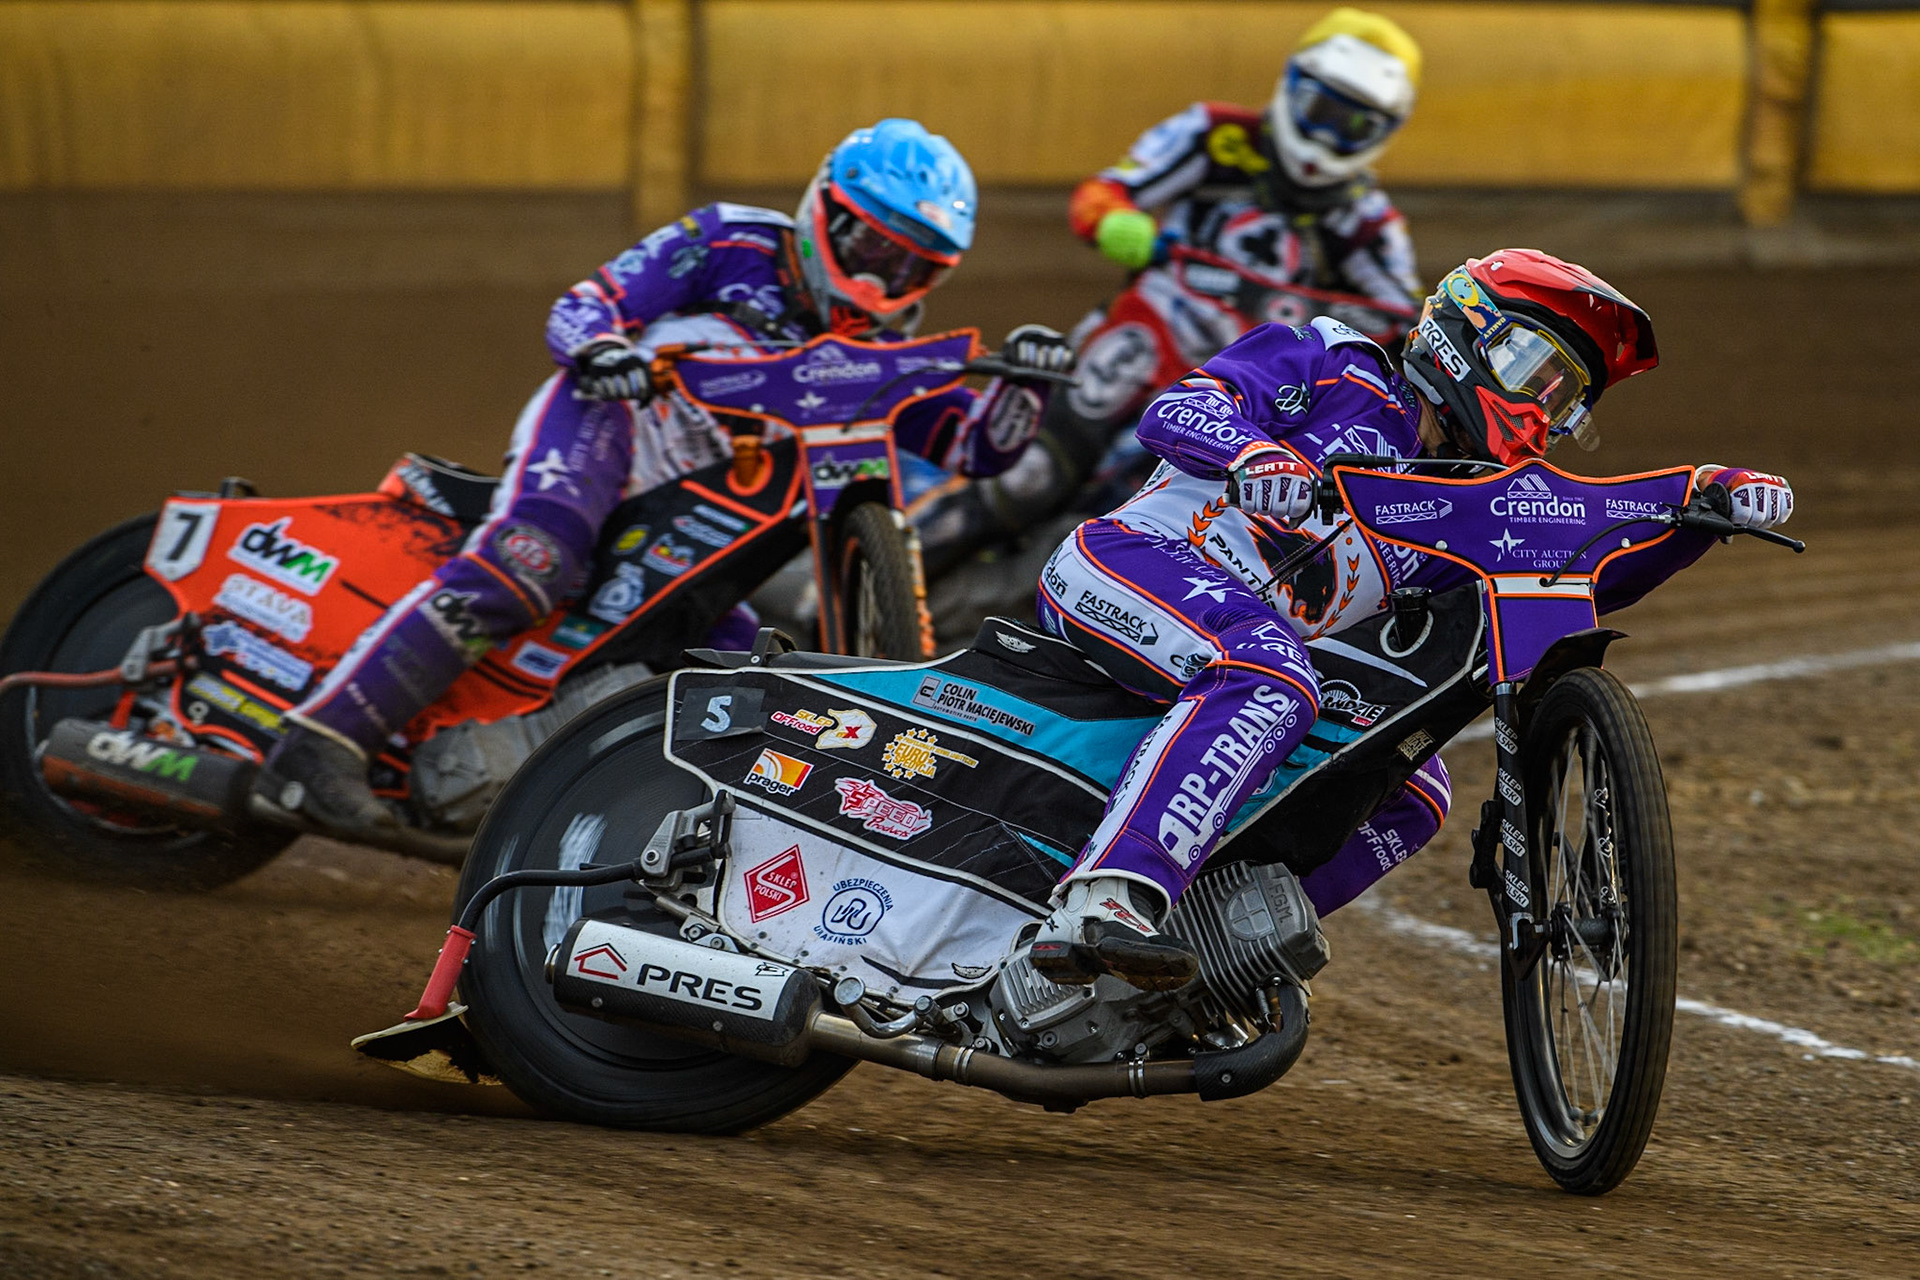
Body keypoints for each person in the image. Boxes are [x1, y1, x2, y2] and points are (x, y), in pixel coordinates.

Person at [257, 119, 1073, 835]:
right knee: (531, 565)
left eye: (909, 268)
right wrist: (603, 354)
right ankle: (319, 746)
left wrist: (1026, 384)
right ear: (824, 207)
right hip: (610, 428)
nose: (878, 279)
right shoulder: (728, 241)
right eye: (868, 246)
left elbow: (975, 449)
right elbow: (587, 303)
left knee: (739, 686)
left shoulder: (885, 355)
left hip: (701, 520)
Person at [1022, 248, 1796, 989]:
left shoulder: (1472, 498)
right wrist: (1254, 456)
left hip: (1236, 641)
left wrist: (1705, 504)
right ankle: (1104, 901)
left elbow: (1590, 569)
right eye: (1535, 371)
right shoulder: (1335, 361)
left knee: (1413, 780)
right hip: (1125, 562)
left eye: (1565, 399)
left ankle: (1214, 953)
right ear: (1465, 331)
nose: (1542, 407)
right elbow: (1179, 406)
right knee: (1270, 673)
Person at [911, 6, 1425, 578]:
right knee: (1029, 475)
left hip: (1242, 382)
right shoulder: (1217, 135)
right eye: (1321, 110)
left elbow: (1408, 314)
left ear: (1384, 134)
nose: (1328, 135)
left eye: (1355, 126)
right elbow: (1106, 190)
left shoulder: (1369, 218)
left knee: (1170, 519)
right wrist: (1115, 221)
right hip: (1150, 329)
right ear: (1291, 87)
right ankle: (881, 575)